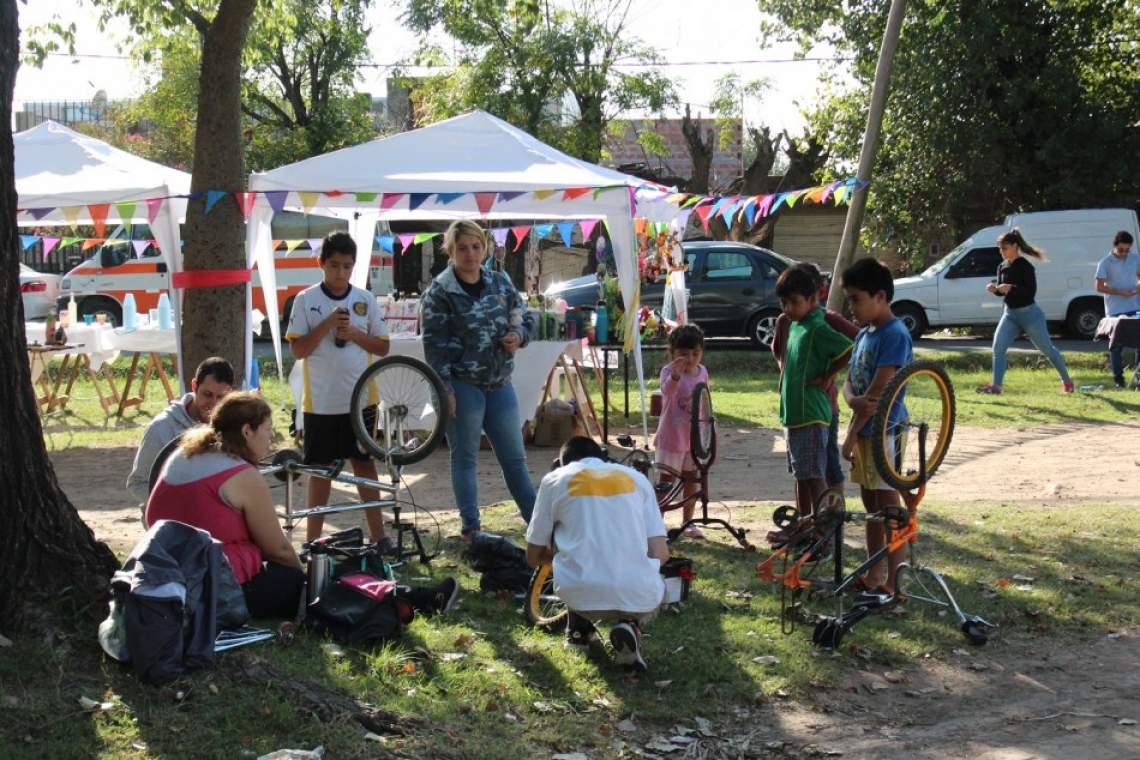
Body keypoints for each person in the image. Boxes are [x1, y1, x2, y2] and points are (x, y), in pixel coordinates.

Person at [421, 219, 537, 542]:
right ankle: (471, 529)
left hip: (499, 383)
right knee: (465, 458)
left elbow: (525, 317)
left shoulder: (500, 282)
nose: (470, 254)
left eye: (475, 247)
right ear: (450, 250)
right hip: (461, 384)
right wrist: (445, 390)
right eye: (462, 248)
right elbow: (434, 347)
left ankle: (539, 525)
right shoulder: (440, 292)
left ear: (484, 248)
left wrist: (518, 334)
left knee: (515, 459)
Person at [145, 392, 306, 619]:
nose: (272, 437)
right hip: (208, 581)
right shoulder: (243, 475)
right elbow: (277, 550)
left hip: (162, 570)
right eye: (268, 428)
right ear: (247, 431)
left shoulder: (183, 453)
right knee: (290, 579)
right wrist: (302, 579)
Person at [286, 231, 394, 551]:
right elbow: (298, 350)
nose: (341, 273)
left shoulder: (365, 299)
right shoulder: (306, 300)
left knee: (364, 465)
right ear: (321, 264)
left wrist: (354, 333)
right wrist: (328, 324)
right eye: (334, 265)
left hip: (361, 400)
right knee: (320, 469)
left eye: (347, 266)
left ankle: (379, 536)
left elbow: (383, 347)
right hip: (320, 402)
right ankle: (312, 540)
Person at [525, 436, 669, 671]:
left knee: (573, 551)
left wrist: (560, 557)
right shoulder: (638, 480)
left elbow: (532, 556)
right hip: (638, 596)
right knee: (660, 584)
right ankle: (630, 625)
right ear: (603, 459)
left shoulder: (554, 480)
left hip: (578, 592)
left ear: (563, 463)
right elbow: (660, 554)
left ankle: (578, 632)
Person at [841, 258, 914, 598]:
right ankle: (874, 575)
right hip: (864, 430)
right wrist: (851, 402)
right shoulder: (864, 335)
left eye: (857, 299)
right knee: (872, 508)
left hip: (884, 432)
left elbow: (877, 395)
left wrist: (851, 432)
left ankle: (896, 580)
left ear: (880, 296)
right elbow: (849, 384)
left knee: (889, 508)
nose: (851, 307)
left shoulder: (895, 335)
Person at [769, 264, 853, 548]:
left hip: (811, 415)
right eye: (784, 302)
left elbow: (850, 349)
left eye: (794, 302)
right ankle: (806, 528)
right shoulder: (795, 324)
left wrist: (828, 376)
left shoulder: (817, 324)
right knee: (802, 475)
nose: (788, 308)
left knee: (816, 476)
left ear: (813, 299)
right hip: (794, 415)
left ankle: (824, 536)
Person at [976, 229, 1074, 395]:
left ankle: (1067, 380)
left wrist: (1011, 288)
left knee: (1047, 349)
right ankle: (996, 386)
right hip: (1010, 314)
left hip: (1030, 315)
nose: (1002, 251)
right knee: (998, 348)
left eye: (1005, 248)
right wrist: (995, 289)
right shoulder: (1002, 266)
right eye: (1000, 248)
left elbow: (1029, 292)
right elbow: (1002, 291)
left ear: (1015, 246)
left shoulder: (1026, 266)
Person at [126, 356, 235, 502]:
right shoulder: (162, 427)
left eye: (220, 397)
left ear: (229, 394)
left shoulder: (232, 426)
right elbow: (137, 484)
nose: (213, 404)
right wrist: (177, 506)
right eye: (207, 394)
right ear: (194, 386)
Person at [654, 324, 708, 537]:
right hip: (672, 437)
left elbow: (705, 400)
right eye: (684, 354)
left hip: (694, 437)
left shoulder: (702, 372)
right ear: (672, 352)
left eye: (696, 353)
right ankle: (656, 521)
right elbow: (667, 391)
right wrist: (676, 375)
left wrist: (706, 430)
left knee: (691, 478)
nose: (691, 359)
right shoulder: (668, 371)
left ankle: (688, 522)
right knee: (666, 480)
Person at [1094, 230, 1140, 388]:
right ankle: (1118, 381)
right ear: (1115, 247)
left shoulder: (1135, 259)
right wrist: (1120, 292)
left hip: (1135, 307)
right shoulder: (1105, 262)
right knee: (1116, 346)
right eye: (1121, 250)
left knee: (1138, 343)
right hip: (1115, 310)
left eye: (1127, 250)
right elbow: (1099, 287)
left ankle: (1138, 379)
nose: (1124, 253)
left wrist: (1137, 289)